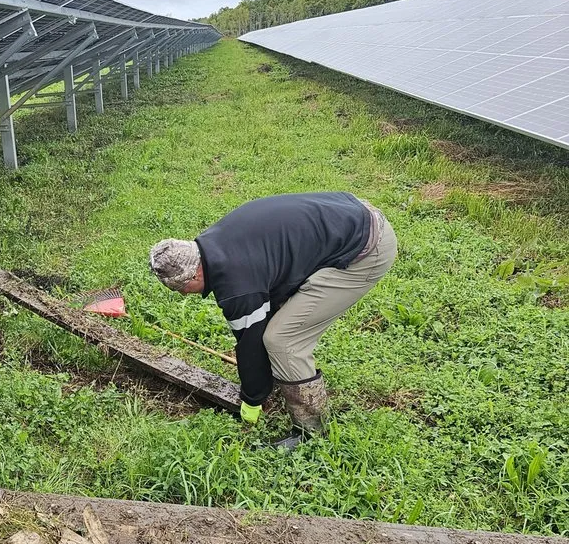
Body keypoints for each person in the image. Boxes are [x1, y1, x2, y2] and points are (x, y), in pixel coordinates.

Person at [149, 192, 397, 448]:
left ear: (194, 276)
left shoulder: (237, 285)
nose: (184, 295)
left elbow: (251, 344)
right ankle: (287, 378)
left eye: (181, 289)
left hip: (366, 250)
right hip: (350, 214)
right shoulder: (214, 244)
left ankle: (312, 432)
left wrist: (252, 400)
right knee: (279, 320)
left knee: (282, 340)